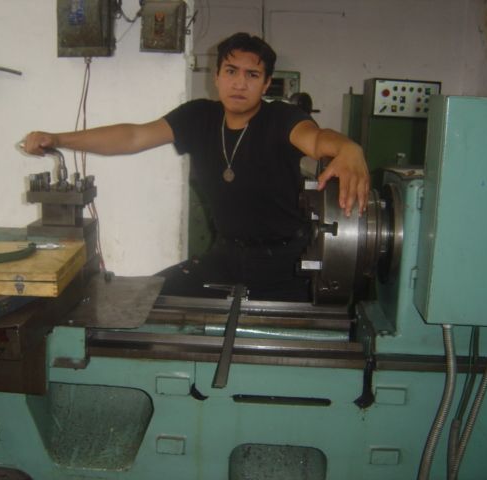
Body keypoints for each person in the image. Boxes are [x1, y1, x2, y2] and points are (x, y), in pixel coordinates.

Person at [24, 32, 369, 302]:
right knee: (148, 302)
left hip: (287, 264)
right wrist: (59, 139)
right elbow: (133, 136)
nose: (239, 83)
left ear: (266, 84)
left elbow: (316, 139)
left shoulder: (281, 118)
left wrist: (348, 149)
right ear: (216, 76)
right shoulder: (199, 117)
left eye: (252, 75)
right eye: (231, 71)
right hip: (226, 256)